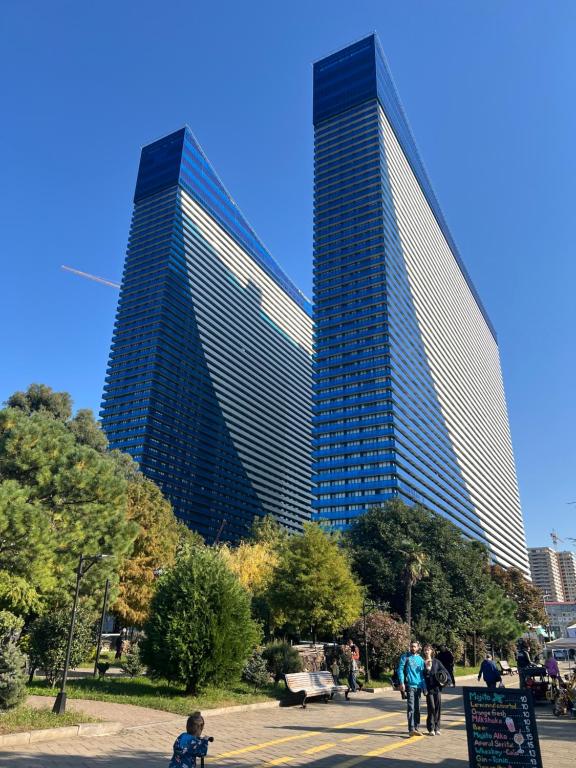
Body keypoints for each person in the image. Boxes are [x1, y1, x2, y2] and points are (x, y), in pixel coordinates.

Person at [397, 640, 426, 736]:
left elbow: (422, 675)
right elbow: (400, 670)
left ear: (418, 648)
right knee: (411, 707)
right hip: (410, 686)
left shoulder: (421, 660)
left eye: (414, 646)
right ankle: (411, 729)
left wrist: (424, 687)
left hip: (418, 687)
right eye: (411, 646)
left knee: (417, 708)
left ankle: (417, 728)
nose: (412, 648)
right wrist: (402, 682)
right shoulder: (405, 657)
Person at [422, 644, 452, 736]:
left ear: (432, 651)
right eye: (425, 650)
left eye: (428, 650)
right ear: (424, 651)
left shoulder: (436, 662)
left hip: (437, 688)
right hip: (428, 688)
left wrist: (446, 681)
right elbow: (421, 676)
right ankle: (431, 728)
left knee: (438, 708)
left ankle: (437, 727)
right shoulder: (422, 662)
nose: (427, 651)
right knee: (431, 707)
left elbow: (445, 672)